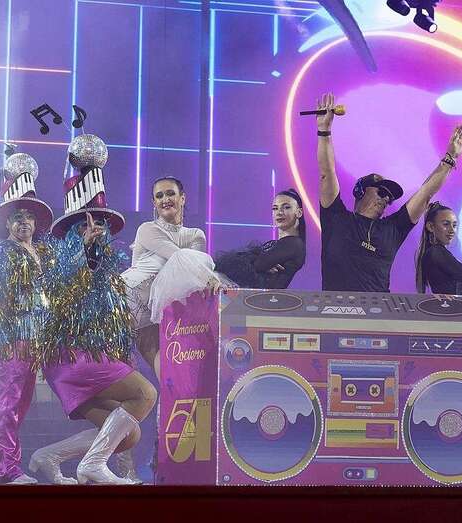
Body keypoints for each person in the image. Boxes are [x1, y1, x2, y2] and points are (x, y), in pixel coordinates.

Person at [27, 135, 157, 485]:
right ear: (73, 229)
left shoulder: (106, 266)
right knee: (145, 394)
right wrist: (82, 254)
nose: (93, 229)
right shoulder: (61, 257)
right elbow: (59, 296)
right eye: (85, 223)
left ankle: (49, 456)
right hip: (71, 355)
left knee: (128, 435)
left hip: (93, 356)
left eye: (98, 223)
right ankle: (92, 466)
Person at [316, 92, 462, 292]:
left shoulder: (393, 228)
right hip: (334, 309)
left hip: (378, 310)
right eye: (381, 192)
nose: (386, 199)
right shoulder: (336, 218)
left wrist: (450, 158)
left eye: (389, 198)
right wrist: (324, 131)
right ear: (360, 191)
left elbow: (425, 193)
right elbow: (327, 172)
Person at [0, 152, 54, 484]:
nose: (24, 223)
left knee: (19, 406)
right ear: (7, 223)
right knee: (8, 402)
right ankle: (7, 469)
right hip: (10, 337)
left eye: (29, 217)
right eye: (17, 217)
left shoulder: (42, 254)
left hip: (36, 337)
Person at [122, 176, 223, 381]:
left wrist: (207, 279)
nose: (165, 199)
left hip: (168, 310)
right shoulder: (147, 229)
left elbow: (194, 271)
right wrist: (209, 277)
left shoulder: (196, 235)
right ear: (154, 203)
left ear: (182, 198)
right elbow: (178, 257)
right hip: (131, 303)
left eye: (170, 194)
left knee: (176, 369)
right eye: (159, 196)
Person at [214, 189, 306, 289]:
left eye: (286, 207)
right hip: (250, 294)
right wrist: (255, 260)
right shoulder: (274, 244)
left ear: (299, 212)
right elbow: (249, 266)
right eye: (275, 208)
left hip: (264, 297)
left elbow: (257, 265)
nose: (279, 212)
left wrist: (253, 260)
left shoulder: (294, 243)